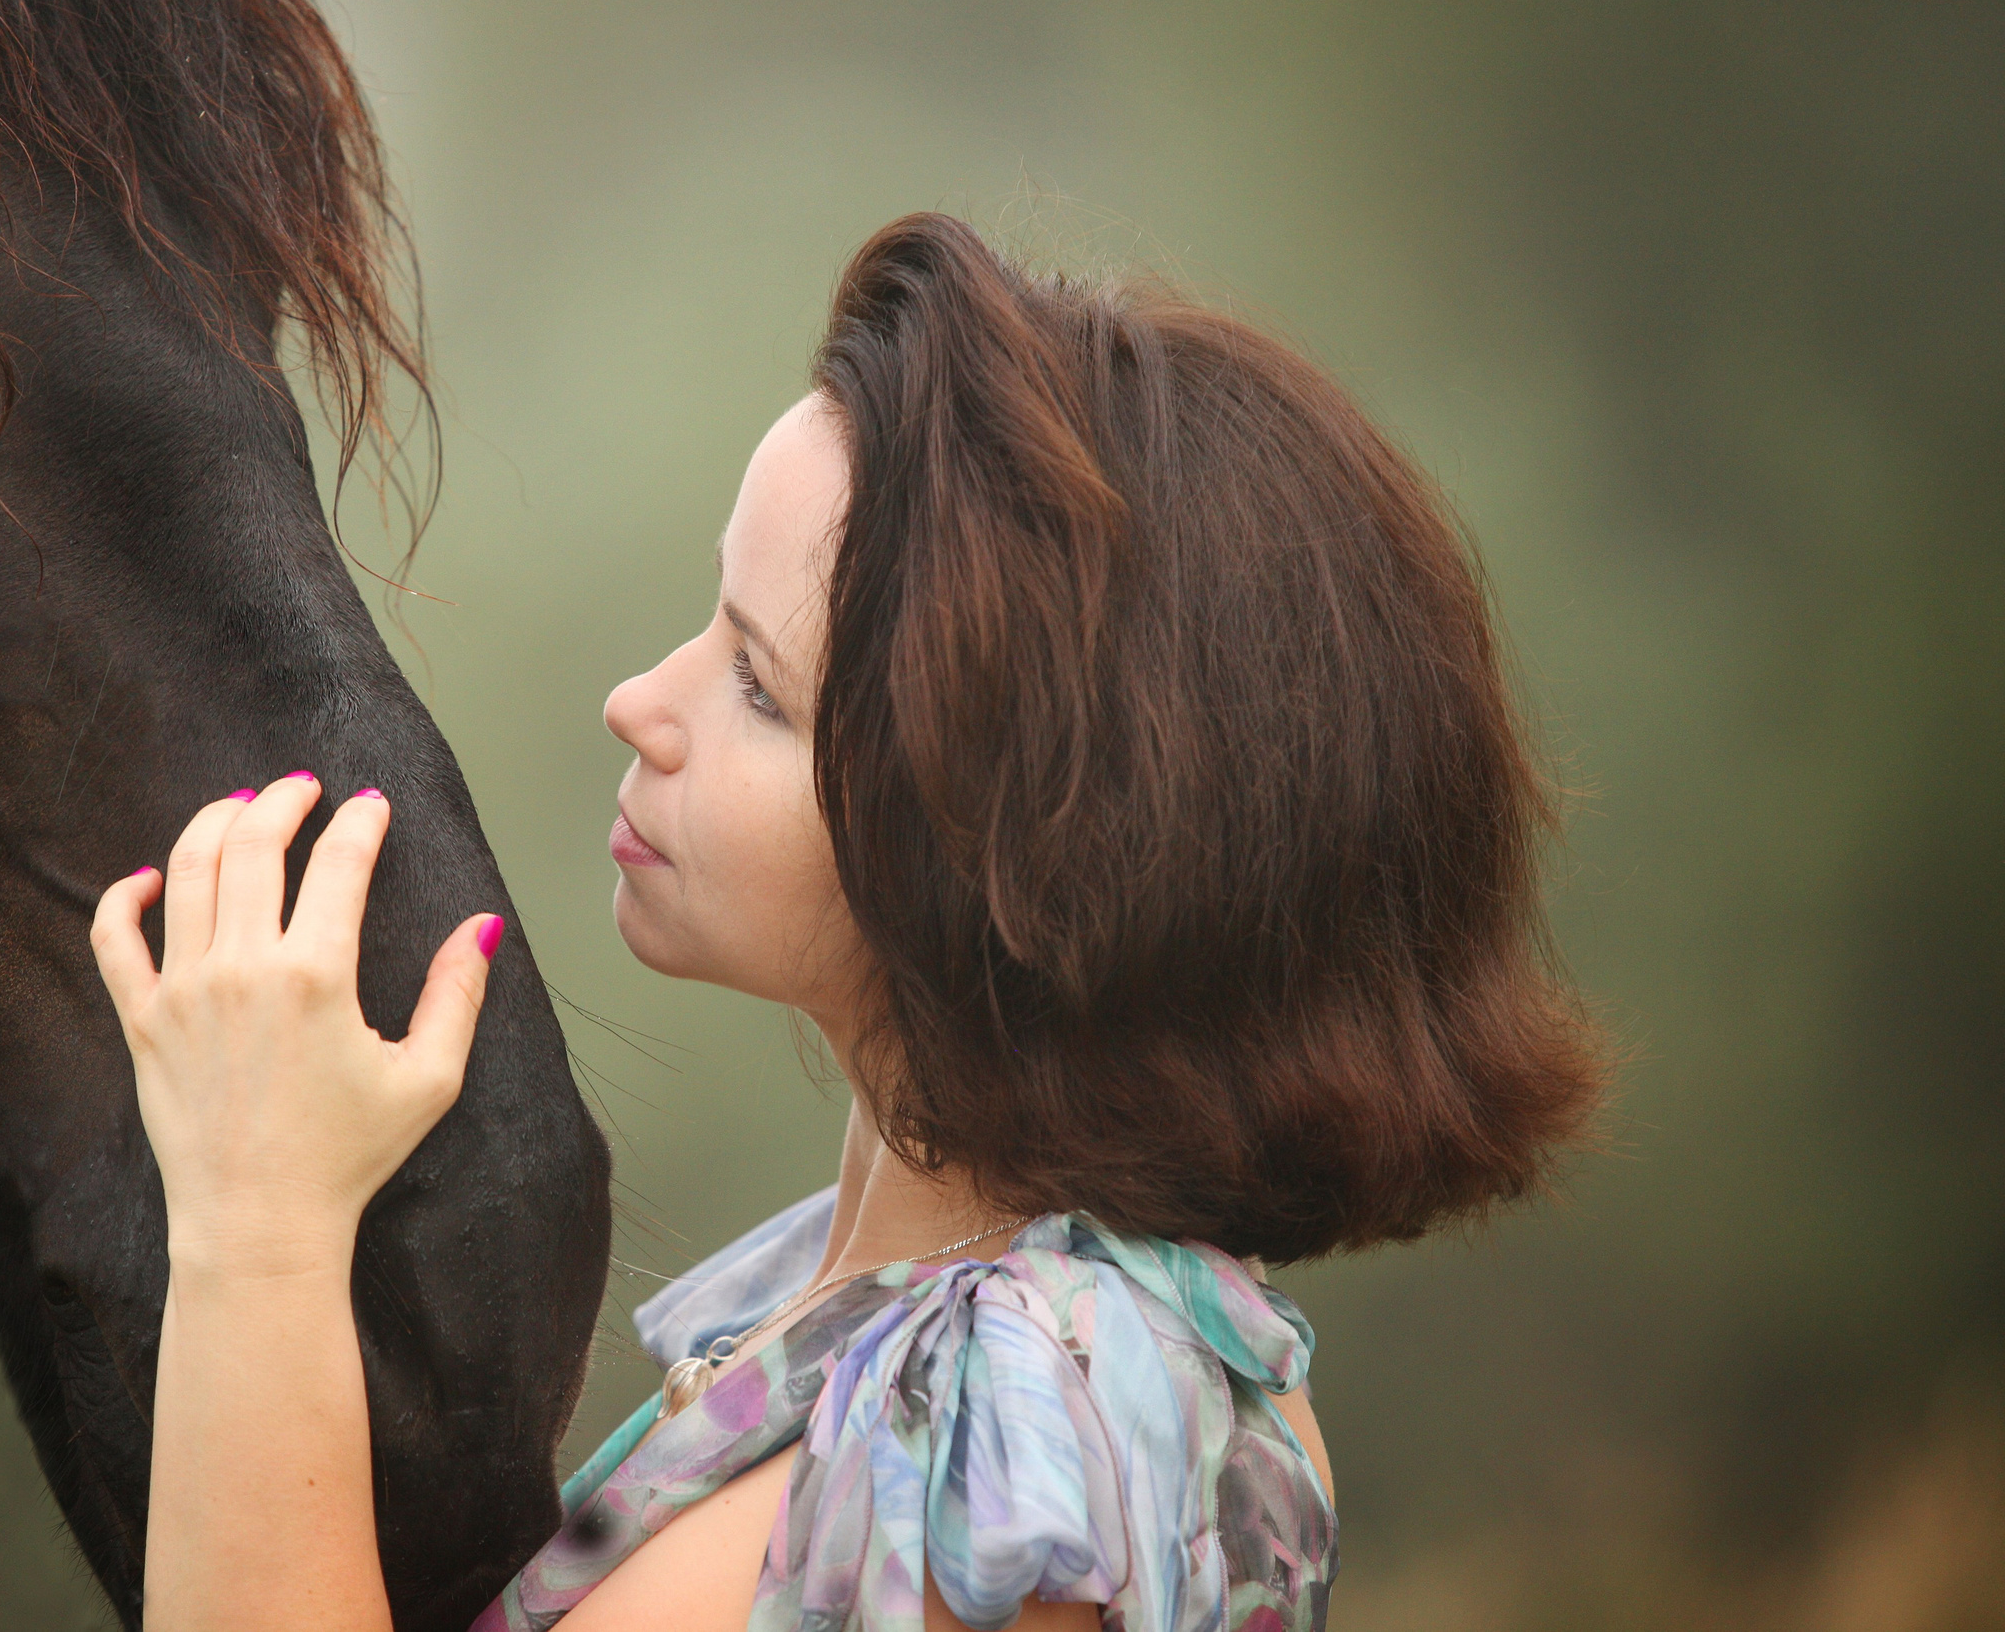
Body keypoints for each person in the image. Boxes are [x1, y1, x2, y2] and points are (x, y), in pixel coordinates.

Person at [89, 212, 1605, 1631]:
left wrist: (258, 1229)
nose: (643, 703)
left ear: (1018, 855)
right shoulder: (930, 1336)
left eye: (758, 686)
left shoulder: (1019, 1427)